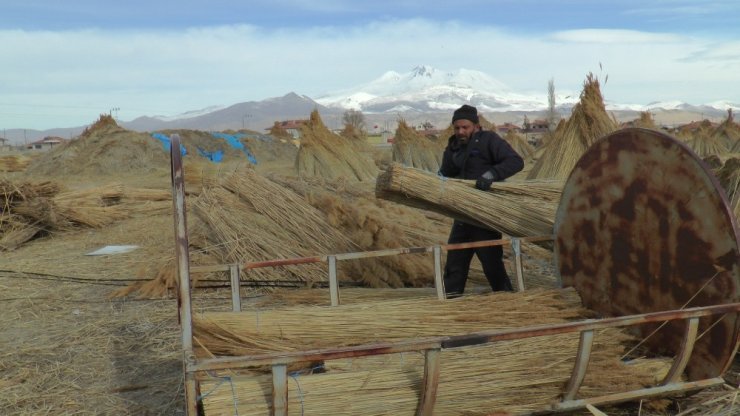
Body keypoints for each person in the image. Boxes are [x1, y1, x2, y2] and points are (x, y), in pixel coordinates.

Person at [438, 104, 524, 297]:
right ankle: (451, 302)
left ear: (476, 126)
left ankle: (506, 300)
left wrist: (491, 174)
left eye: (465, 127)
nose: (460, 131)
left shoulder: (489, 141)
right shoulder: (452, 148)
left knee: (491, 262)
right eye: (457, 127)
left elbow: (516, 161)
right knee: (455, 261)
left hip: (485, 215)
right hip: (462, 215)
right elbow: (446, 173)